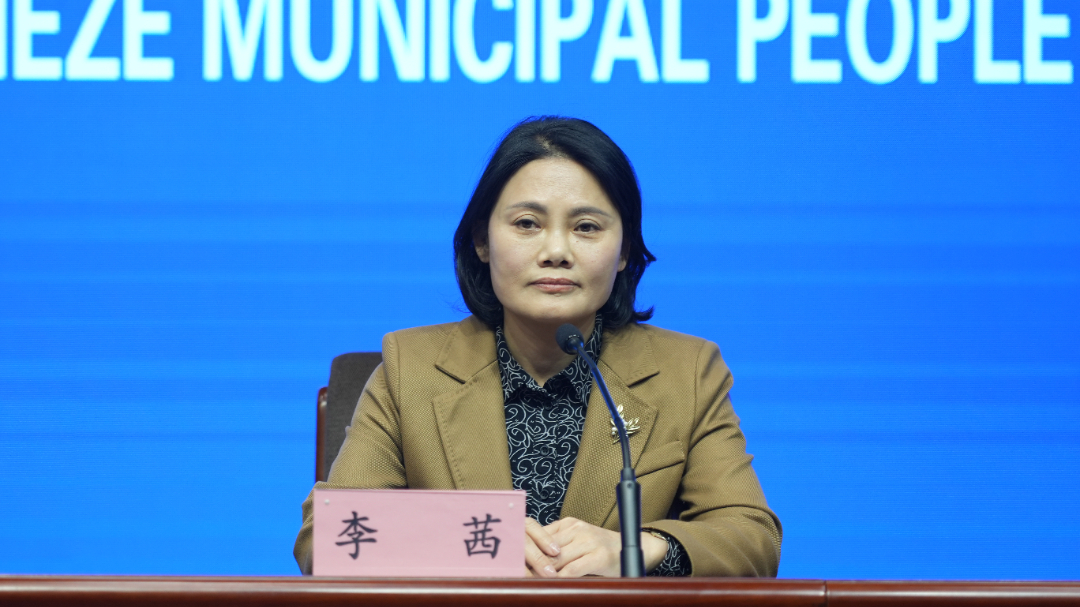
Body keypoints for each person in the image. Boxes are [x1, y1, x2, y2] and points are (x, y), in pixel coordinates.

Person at [293, 117, 781, 577]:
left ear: (624, 251)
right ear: (482, 241)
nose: (556, 251)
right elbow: (327, 538)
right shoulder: (412, 368)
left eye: (586, 227)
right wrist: (475, 539)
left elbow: (752, 537)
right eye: (527, 223)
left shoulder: (687, 372)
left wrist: (637, 548)